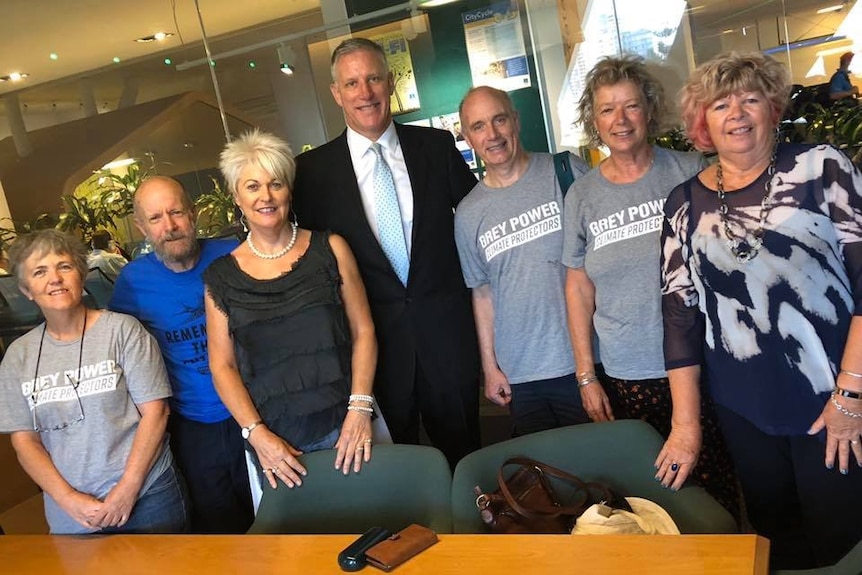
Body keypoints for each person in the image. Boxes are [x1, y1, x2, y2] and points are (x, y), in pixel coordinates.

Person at [659, 51, 862, 569]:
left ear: (773, 108)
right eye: (721, 104)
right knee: (775, 542)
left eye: (751, 99)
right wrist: (686, 427)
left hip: (832, 399)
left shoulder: (821, 167)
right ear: (701, 124)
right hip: (744, 407)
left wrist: (851, 396)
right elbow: (680, 317)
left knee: (845, 539)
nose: (738, 113)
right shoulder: (682, 202)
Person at [562, 55, 738, 515]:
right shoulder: (582, 195)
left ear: (649, 110)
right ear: (593, 120)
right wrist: (586, 374)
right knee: (649, 502)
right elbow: (578, 287)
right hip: (627, 374)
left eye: (631, 106)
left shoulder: (691, 171)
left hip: (704, 364)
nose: (620, 120)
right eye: (606, 109)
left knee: (716, 489)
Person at [293, 37, 481, 467]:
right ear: (336, 93)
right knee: (397, 474)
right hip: (374, 357)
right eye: (353, 83)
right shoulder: (311, 175)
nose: (366, 92)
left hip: (448, 344)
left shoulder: (435, 148)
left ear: (390, 82)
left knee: (467, 463)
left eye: (374, 78)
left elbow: (477, 223)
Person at [205, 129, 378, 490]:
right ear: (237, 196)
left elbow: (363, 332)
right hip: (276, 450)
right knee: (299, 545)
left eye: (275, 184)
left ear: (289, 191)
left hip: (347, 428)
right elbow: (222, 366)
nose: (265, 196)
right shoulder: (220, 277)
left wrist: (360, 409)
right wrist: (256, 434)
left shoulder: (331, 249)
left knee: (373, 534)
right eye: (252, 186)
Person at [0, 229, 186, 534]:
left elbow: (156, 413)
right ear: (26, 289)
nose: (55, 278)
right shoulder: (18, 357)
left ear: (81, 274)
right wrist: (69, 500)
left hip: (148, 497)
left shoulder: (124, 331)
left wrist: (126, 490)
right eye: (40, 271)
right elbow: (25, 442)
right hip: (71, 513)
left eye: (64, 266)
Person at [110, 176, 253, 534]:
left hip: (253, 411)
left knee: (276, 512)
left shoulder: (235, 254)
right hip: (190, 425)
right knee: (219, 526)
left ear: (193, 214)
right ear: (141, 227)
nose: (170, 226)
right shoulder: (131, 282)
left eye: (176, 212)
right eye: (156, 218)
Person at [454, 86, 590, 436]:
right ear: (468, 137)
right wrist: (490, 367)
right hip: (521, 376)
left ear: (515, 120)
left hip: (584, 361)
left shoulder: (565, 171)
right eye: (479, 126)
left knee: (601, 469)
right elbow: (482, 294)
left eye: (499, 119)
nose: (493, 134)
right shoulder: (469, 213)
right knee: (543, 481)